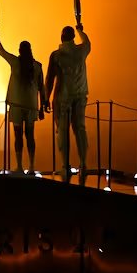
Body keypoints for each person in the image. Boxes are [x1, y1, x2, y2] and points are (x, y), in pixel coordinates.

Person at [0, 30, 45, 173]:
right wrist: (42, 107)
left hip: (17, 105)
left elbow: (1, 52)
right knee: (30, 135)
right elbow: (42, 87)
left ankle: (20, 166)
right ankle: (32, 166)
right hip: (31, 106)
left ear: (20, 51)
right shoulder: (38, 66)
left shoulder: (15, 62)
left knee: (18, 135)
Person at [45, 23, 91, 182]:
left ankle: (65, 166)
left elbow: (50, 78)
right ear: (73, 37)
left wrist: (45, 98)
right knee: (80, 129)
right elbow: (87, 41)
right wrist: (80, 30)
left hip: (63, 97)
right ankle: (83, 164)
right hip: (80, 95)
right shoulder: (82, 51)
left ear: (62, 37)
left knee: (62, 131)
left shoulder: (56, 55)